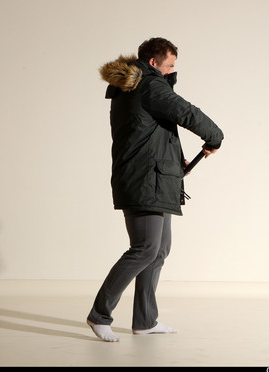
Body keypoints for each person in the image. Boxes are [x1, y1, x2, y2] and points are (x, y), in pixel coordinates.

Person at [87, 37, 224, 342]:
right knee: (145, 249)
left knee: (158, 250)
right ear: (153, 63)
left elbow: (150, 133)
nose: (172, 71)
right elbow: (185, 112)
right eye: (170, 65)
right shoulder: (150, 86)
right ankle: (99, 315)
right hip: (144, 179)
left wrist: (177, 162)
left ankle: (145, 321)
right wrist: (215, 136)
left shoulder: (139, 87)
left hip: (156, 177)